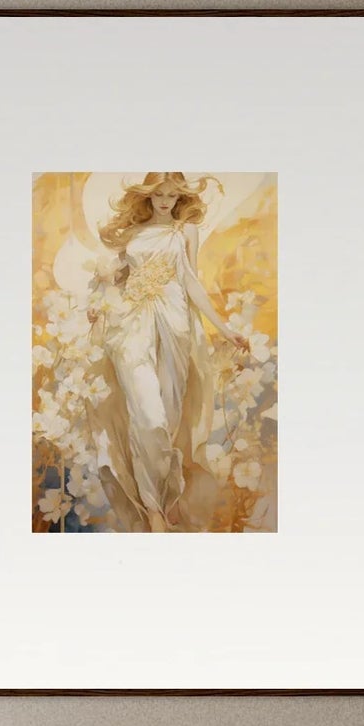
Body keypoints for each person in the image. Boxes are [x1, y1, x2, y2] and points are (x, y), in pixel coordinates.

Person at [87, 172, 249, 531]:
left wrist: (225, 328)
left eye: (172, 195)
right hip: (130, 326)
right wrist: (97, 304)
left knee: (169, 419)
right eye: (158, 194)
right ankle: (152, 506)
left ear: (180, 198)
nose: (164, 201)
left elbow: (191, 281)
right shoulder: (133, 234)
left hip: (174, 326)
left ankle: (166, 494)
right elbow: (117, 278)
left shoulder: (184, 231)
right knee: (147, 415)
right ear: (147, 195)